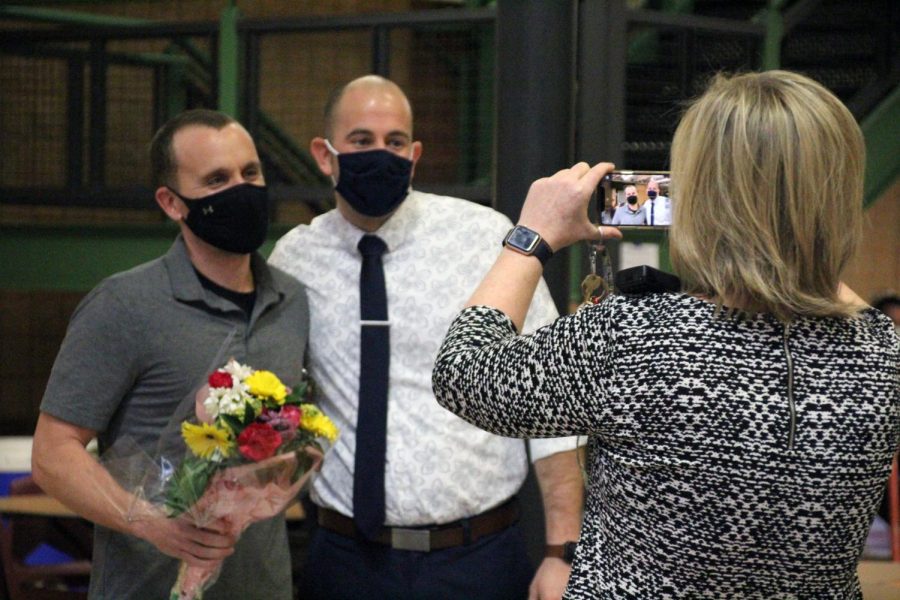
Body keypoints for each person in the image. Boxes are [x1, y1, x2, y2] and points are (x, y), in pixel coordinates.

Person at [432, 70, 899, 597]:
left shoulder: (637, 338)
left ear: (703, 197)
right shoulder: (882, 352)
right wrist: (800, 248)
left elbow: (464, 373)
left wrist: (530, 236)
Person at [269, 75, 583, 600]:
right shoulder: (295, 259)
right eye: (361, 141)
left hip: (478, 556)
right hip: (344, 559)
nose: (380, 154)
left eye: (395, 143)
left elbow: (550, 400)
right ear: (325, 155)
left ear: (414, 155)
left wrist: (561, 552)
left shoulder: (484, 238)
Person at [31, 109, 309, 599]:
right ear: (171, 202)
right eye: (217, 179)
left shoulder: (292, 302)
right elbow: (53, 455)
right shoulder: (123, 304)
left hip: (263, 587)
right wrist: (152, 524)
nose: (241, 189)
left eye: (251, 173)